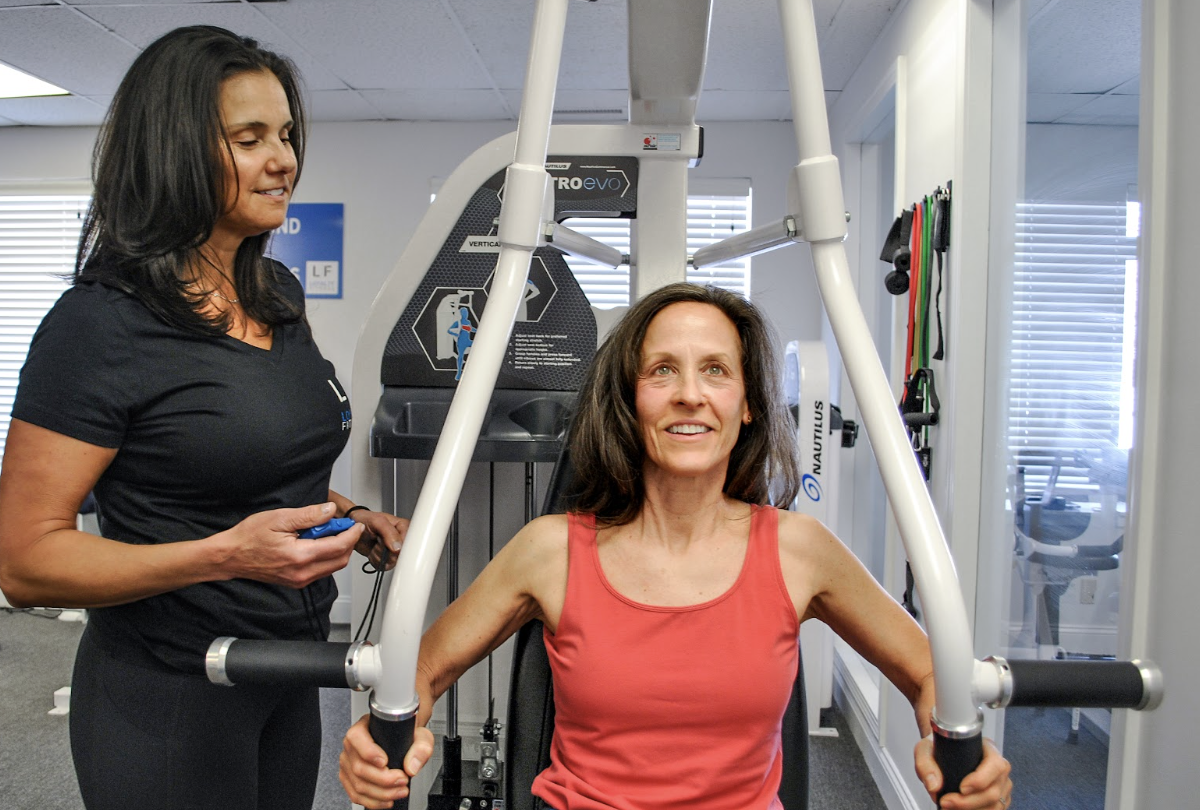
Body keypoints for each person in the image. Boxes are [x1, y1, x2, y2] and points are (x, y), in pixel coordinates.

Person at [338, 282, 1012, 810]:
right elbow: (417, 675)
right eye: (662, 371)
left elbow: (936, 673)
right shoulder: (550, 552)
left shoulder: (799, 552)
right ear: (631, 400)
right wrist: (379, 743)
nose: (690, 395)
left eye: (716, 370)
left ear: (747, 403)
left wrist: (955, 745)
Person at [0, 25, 407, 810]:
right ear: (174, 152)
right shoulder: (99, 326)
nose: (283, 158)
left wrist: (348, 516)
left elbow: (262, 469)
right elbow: (23, 561)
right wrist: (223, 556)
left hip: (283, 676)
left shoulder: (276, 295)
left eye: (285, 135)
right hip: (169, 691)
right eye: (249, 138)